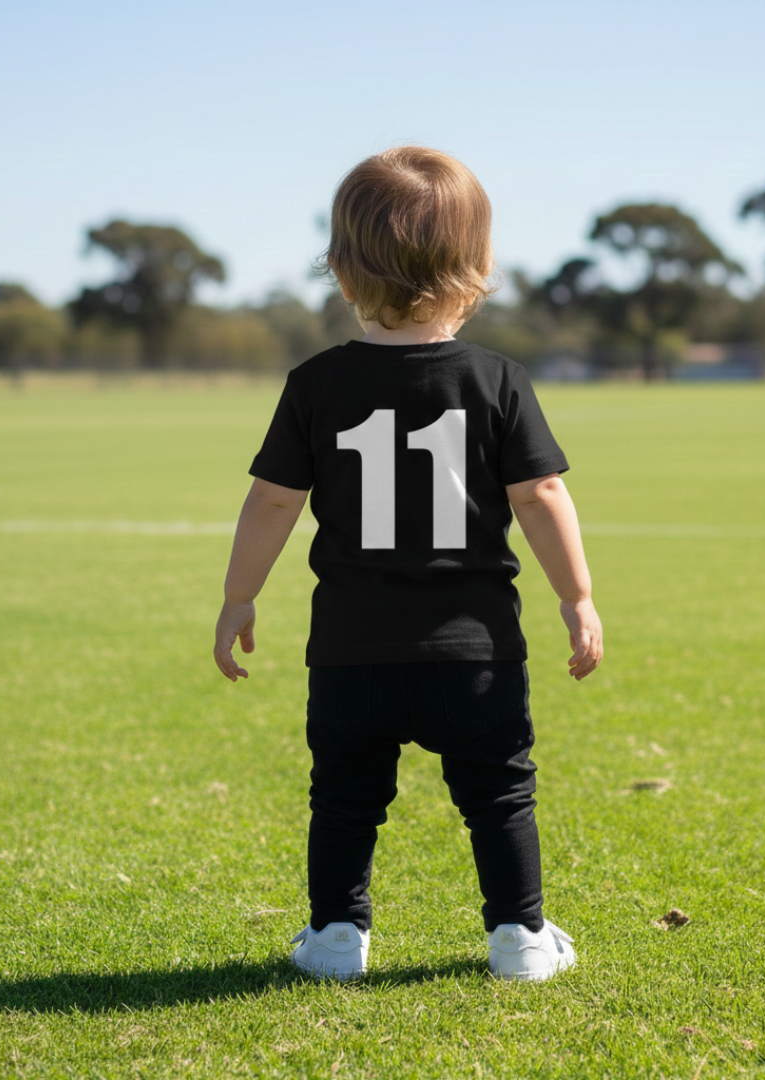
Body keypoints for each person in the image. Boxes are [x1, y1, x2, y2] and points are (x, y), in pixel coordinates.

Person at [213, 146, 602, 982]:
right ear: (478, 265)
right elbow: (541, 494)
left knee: (344, 799)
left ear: (341, 269)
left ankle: (335, 937)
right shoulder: (498, 380)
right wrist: (577, 596)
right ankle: (520, 938)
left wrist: (239, 596)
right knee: (499, 795)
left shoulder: (315, 383)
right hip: (476, 654)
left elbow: (273, 501)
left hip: (351, 653)